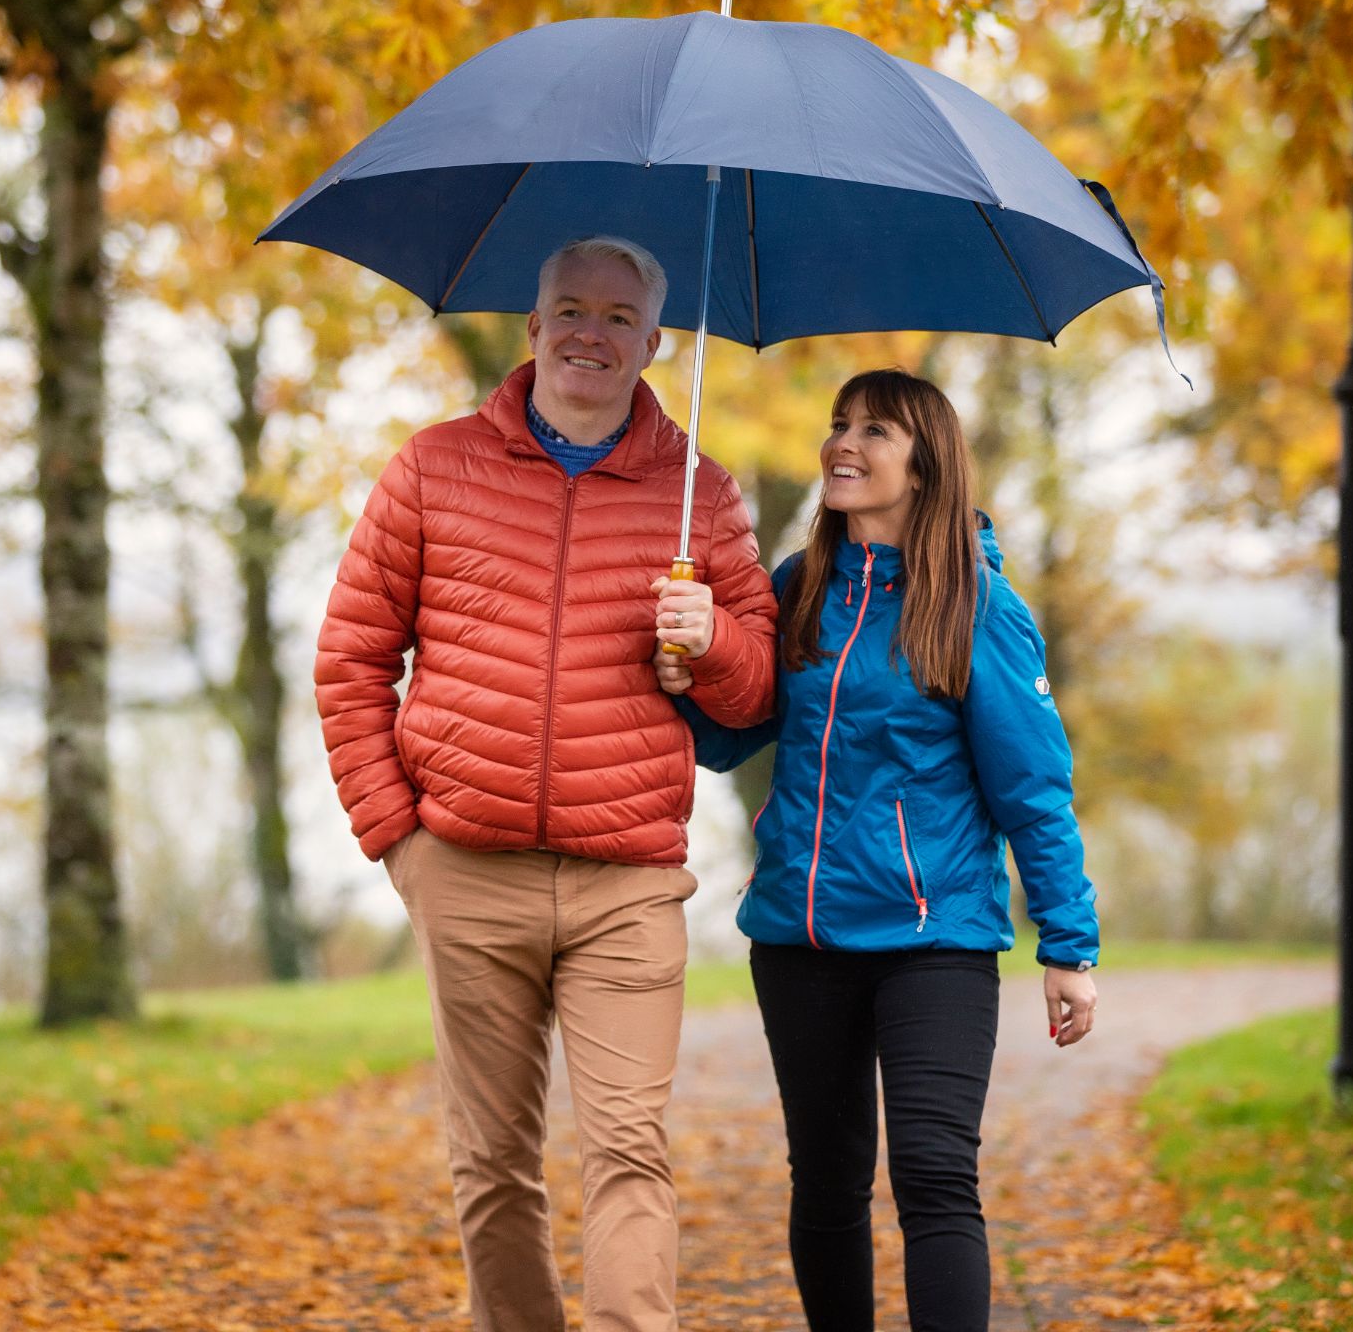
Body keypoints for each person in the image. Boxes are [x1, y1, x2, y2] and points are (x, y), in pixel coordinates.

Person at [316, 235, 779, 1332]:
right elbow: (350, 660)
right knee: (491, 1161)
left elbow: (760, 692)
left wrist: (709, 640)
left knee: (627, 1148)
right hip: (466, 871)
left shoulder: (698, 496)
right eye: (570, 308)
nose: (591, 332)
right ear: (532, 328)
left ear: (653, 343)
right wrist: (399, 839)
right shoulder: (432, 467)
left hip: (626, 883)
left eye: (619, 317)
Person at [654, 366, 1100, 1332]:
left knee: (936, 1175)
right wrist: (689, 668)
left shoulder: (976, 604)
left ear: (928, 464)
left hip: (932, 937)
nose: (843, 445)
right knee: (825, 1182)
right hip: (799, 938)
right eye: (837, 424)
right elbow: (733, 738)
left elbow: (1034, 789)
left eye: (876, 432)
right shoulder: (798, 587)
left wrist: (1068, 944)